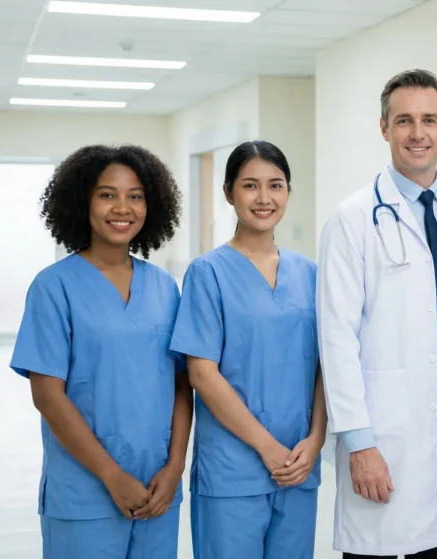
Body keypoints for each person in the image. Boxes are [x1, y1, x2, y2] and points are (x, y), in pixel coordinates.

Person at [317, 68, 437, 559]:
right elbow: (336, 338)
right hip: (384, 425)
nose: (418, 134)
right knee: (376, 547)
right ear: (384, 128)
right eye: (405, 120)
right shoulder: (352, 219)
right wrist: (359, 443)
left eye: (430, 120)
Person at [9, 145, 191, 559]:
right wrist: (112, 476)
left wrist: (175, 468)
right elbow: (47, 395)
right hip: (85, 494)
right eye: (107, 194)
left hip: (157, 490)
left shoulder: (165, 288)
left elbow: (184, 385)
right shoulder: (53, 287)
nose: (122, 207)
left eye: (136, 195)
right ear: (82, 202)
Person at [169, 141, 326, 559]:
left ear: (288, 192)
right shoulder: (208, 273)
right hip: (233, 471)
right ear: (228, 193)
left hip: (298, 466)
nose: (264, 198)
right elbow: (202, 373)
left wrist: (316, 439)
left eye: (275, 185)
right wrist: (267, 447)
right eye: (250, 185)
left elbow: (326, 366)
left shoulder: (310, 273)